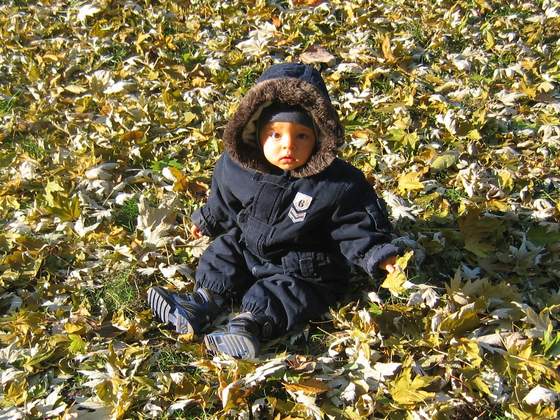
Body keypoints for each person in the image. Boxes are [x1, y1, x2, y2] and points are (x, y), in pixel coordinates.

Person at [147, 62, 400, 359]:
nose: (288, 146)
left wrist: (377, 252)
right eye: (275, 135)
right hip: (250, 246)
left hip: (305, 264)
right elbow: (225, 196)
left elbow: (355, 222)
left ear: (320, 136)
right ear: (255, 131)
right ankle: (203, 301)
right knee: (225, 251)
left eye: (301, 136)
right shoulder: (238, 166)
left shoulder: (336, 183)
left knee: (288, 293)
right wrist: (210, 219)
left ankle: (249, 325)